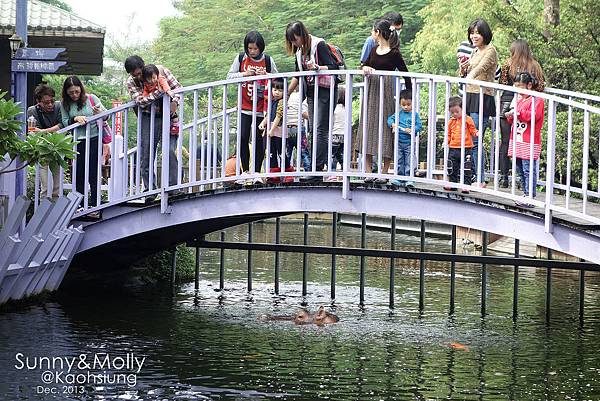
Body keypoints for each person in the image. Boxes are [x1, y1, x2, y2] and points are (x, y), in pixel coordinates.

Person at [285, 21, 340, 182]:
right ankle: (316, 168)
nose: (294, 43)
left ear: (301, 34)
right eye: (292, 41)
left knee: (320, 129)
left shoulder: (319, 44)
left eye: (295, 39)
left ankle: (317, 169)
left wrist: (317, 68)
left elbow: (334, 67)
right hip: (311, 91)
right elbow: (298, 74)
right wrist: (287, 93)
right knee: (313, 129)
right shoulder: (299, 52)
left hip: (325, 89)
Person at [358, 18, 411, 184]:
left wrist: (407, 95)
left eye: (373, 31)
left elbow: (405, 73)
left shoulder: (394, 52)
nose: (372, 34)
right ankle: (368, 172)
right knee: (368, 127)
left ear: (378, 32)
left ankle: (385, 171)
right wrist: (365, 68)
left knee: (386, 129)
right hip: (372, 90)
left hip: (386, 91)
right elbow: (364, 65)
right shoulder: (373, 50)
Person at [124, 55, 182, 201]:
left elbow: (178, 89)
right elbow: (141, 101)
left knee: (169, 150)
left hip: (169, 116)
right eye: (134, 74)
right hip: (147, 117)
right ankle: (150, 189)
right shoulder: (132, 82)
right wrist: (161, 92)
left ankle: (173, 187)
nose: (139, 76)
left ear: (144, 66)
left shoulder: (159, 71)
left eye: (139, 72)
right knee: (146, 154)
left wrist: (173, 103)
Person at [227, 31, 278, 185]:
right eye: (250, 48)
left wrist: (266, 74)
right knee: (242, 138)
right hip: (243, 106)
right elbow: (229, 76)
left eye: (255, 49)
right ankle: (244, 172)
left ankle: (256, 171)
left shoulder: (268, 60)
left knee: (258, 140)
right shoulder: (241, 58)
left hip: (261, 108)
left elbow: (278, 80)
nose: (252, 51)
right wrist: (245, 74)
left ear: (261, 48)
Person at [499, 39, 545, 188]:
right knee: (526, 142)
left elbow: (502, 83)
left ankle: (504, 177)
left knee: (507, 141)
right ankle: (523, 182)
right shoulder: (535, 65)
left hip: (508, 102)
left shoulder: (508, 63)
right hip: (527, 102)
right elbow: (541, 85)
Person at [458, 19, 497, 187]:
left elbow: (481, 68)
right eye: (472, 33)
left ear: (485, 34)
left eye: (477, 33)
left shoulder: (490, 50)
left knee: (475, 139)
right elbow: (467, 70)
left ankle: (480, 178)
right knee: (468, 139)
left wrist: (470, 76)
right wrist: (463, 69)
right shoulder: (475, 51)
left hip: (482, 97)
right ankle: (474, 176)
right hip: (470, 96)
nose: (474, 36)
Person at [60, 76, 106, 210]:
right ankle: (80, 204)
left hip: (94, 138)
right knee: (79, 173)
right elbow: (64, 121)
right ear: (66, 92)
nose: (74, 95)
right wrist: (75, 118)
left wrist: (100, 113)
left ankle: (95, 203)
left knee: (94, 172)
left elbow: (106, 115)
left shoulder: (92, 98)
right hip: (77, 141)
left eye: (77, 92)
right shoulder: (65, 104)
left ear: (81, 89)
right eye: (71, 92)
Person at [506, 72, 545, 208]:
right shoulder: (519, 100)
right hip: (517, 139)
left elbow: (533, 116)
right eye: (516, 87)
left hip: (530, 140)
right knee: (520, 168)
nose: (518, 90)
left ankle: (530, 195)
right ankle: (525, 192)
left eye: (520, 87)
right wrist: (510, 116)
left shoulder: (537, 100)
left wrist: (518, 113)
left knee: (529, 169)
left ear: (529, 85)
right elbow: (514, 117)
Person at [27, 84, 63, 201]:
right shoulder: (32, 111)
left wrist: (43, 131)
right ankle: (43, 212)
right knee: (45, 187)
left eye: (52, 101)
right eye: (46, 102)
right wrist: (50, 131)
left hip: (57, 148)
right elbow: (33, 132)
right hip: (42, 151)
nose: (50, 104)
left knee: (57, 187)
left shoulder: (58, 106)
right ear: (38, 101)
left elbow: (62, 125)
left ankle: (56, 213)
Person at [387, 89, 422, 187]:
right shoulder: (398, 113)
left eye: (408, 104)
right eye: (403, 105)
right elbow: (390, 119)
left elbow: (419, 126)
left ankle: (409, 178)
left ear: (412, 103)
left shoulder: (415, 115)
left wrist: (412, 129)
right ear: (400, 104)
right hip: (398, 141)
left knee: (409, 161)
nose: (406, 107)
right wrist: (392, 124)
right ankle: (399, 178)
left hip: (409, 143)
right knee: (399, 160)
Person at [444, 96, 478, 193]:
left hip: (466, 147)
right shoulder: (451, 121)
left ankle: (466, 185)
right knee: (451, 166)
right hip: (453, 148)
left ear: (463, 109)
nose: (455, 114)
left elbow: (472, 129)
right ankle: (453, 183)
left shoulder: (468, 119)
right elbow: (449, 134)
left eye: (457, 111)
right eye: (452, 112)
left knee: (467, 167)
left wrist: (476, 133)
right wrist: (446, 141)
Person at [141, 64, 180, 134]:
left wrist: (168, 91)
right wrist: (145, 96)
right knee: (162, 111)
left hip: (165, 98)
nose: (152, 80)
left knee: (171, 112)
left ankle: (176, 123)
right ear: (145, 79)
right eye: (149, 79)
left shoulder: (160, 79)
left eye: (154, 78)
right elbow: (145, 91)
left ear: (157, 75)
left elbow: (164, 84)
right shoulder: (146, 84)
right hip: (157, 100)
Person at [258, 78, 286, 174]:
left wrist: (272, 130)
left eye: (280, 90)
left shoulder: (282, 102)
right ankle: (273, 172)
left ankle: (286, 170)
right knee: (271, 152)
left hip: (278, 130)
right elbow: (268, 115)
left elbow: (278, 116)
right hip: (270, 131)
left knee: (281, 152)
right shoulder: (272, 102)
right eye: (275, 90)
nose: (277, 92)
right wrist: (262, 123)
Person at [284, 86, 311, 172]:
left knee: (287, 153)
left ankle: (285, 172)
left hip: (286, 129)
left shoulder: (285, 97)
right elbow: (303, 113)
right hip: (298, 128)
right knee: (304, 152)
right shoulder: (301, 97)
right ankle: (308, 171)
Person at [329, 89, 346, 177]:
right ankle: (344, 172)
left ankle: (332, 173)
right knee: (340, 154)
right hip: (344, 135)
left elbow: (331, 122)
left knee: (331, 155)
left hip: (335, 134)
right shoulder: (347, 108)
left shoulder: (334, 108)